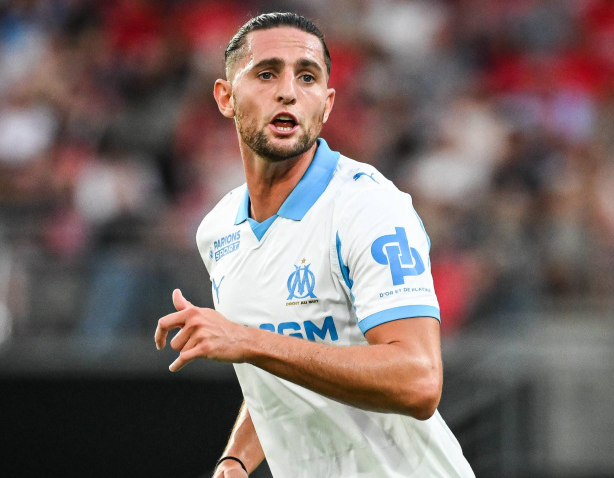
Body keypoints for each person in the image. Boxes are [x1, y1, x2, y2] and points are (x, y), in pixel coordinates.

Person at [154, 12, 475, 478]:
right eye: (266, 74)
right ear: (225, 98)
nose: (288, 91)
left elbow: (418, 380)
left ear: (325, 106)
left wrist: (246, 340)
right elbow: (282, 366)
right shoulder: (218, 230)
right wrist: (237, 460)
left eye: (306, 77)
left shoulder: (367, 208)